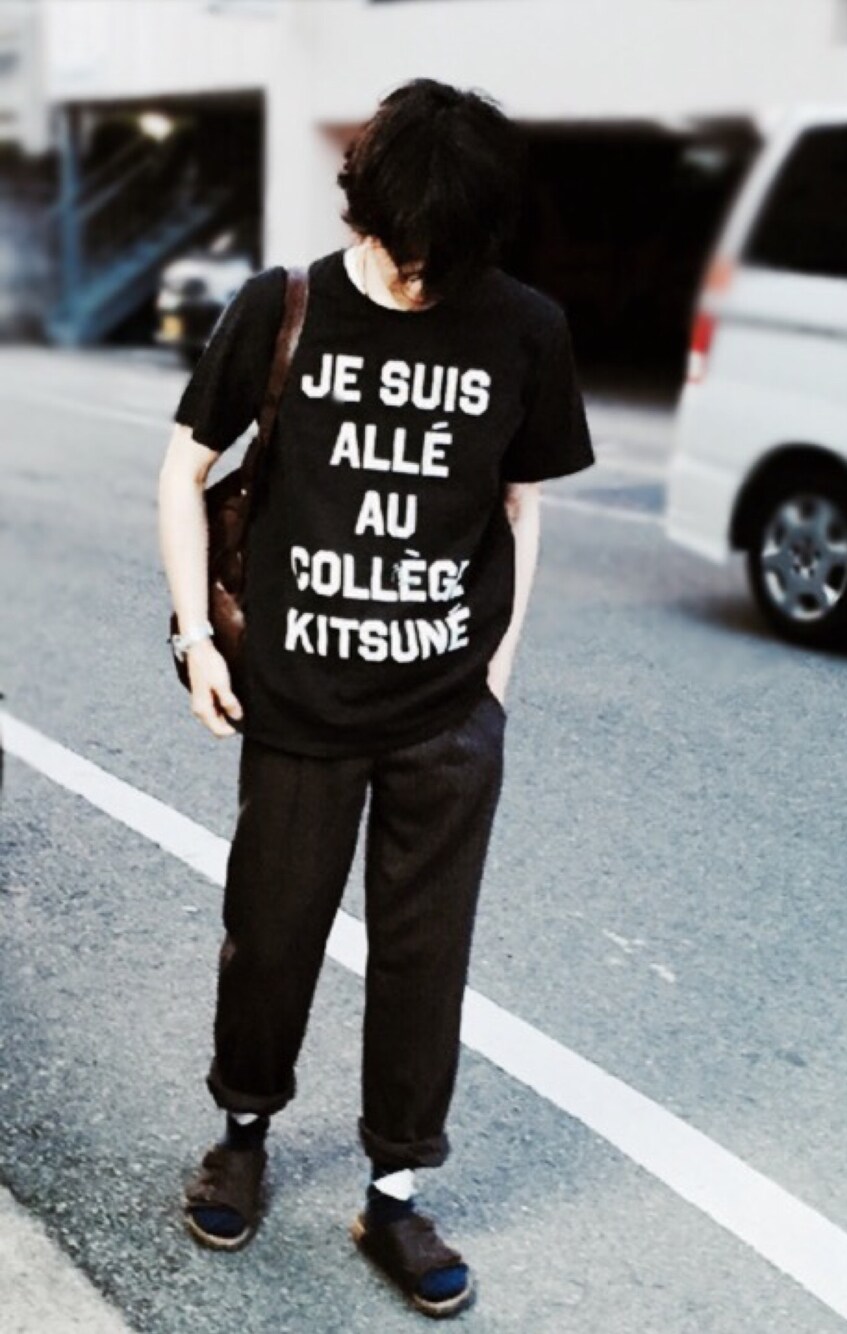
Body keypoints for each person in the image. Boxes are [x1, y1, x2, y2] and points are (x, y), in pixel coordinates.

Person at [157, 77, 594, 1318]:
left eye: (442, 257)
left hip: (445, 715)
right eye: (402, 251)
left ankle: (395, 1192)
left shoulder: (523, 327)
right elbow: (183, 471)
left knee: (423, 958)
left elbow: (520, 502)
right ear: (364, 209)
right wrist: (198, 637)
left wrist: (497, 673)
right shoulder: (283, 305)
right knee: (271, 933)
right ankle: (243, 1131)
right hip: (298, 702)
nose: (417, 277)